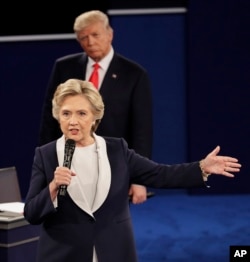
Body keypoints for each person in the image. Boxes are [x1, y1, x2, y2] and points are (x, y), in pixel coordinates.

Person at [24, 79, 241, 262]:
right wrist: (53, 187)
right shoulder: (46, 154)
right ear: (57, 116)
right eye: (66, 113)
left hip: (114, 251)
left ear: (95, 117)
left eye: (81, 113)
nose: (73, 121)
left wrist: (201, 167)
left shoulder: (117, 149)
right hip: (63, 255)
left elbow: (160, 174)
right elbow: (31, 213)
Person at [38, 10, 153, 204]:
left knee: (109, 229)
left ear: (110, 34)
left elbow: (142, 130)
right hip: (69, 166)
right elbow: (50, 121)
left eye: (95, 35)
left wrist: (139, 178)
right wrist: (44, 168)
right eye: (83, 37)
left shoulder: (134, 74)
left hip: (113, 167)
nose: (90, 42)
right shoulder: (64, 68)